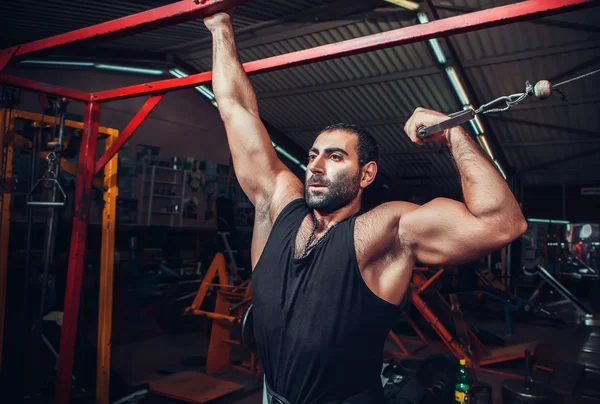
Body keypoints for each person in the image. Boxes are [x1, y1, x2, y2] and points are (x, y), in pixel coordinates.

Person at [204, 10, 527, 404]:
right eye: (313, 155)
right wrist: (219, 24)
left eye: (336, 157)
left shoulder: (386, 229)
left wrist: (453, 134)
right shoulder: (277, 204)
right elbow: (236, 108)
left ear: (367, 174)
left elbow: (501, 224)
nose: (316, 167)